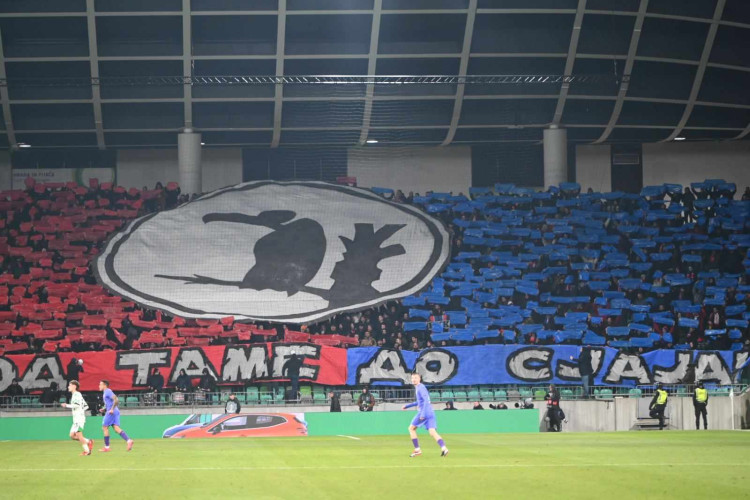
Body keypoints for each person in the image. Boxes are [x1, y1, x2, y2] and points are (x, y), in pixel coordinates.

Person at [402, 372, 448, 457]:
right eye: (412, 378)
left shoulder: (421, 387)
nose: (413, 379)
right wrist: (408, 406)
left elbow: (426, 400)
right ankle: (444, 448)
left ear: (419, 379)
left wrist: (423, 414)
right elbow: (420, 401)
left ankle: (417, 450)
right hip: (430, 412)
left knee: (411, 428)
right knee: (432, 432)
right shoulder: (419, 388)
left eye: (416, 378)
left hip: (424, 412)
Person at [99, 380, 134, 452]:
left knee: (105, 427)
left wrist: (111, 409)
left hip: (111, 412)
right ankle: (129, 441)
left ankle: (107, 447)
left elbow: (116, 399)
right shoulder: (106, 392)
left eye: (100, 384)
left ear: (105, 385)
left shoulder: (108, 391)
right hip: (115, 411)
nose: (99, 386)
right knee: (116, 428)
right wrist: (104, 408)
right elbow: (109, 402)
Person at [60, 380, 94, 456]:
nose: (68, 387)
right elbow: (86, 406)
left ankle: (87, 451)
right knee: (72, 436)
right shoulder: (76, 395)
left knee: (79, 435)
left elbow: (77, 405)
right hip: (76, 419)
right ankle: (88, 441)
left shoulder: (77, 394)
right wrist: (81, 411)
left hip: (79, 419)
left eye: (70, 385)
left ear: (74, 386)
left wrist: (66, 405)